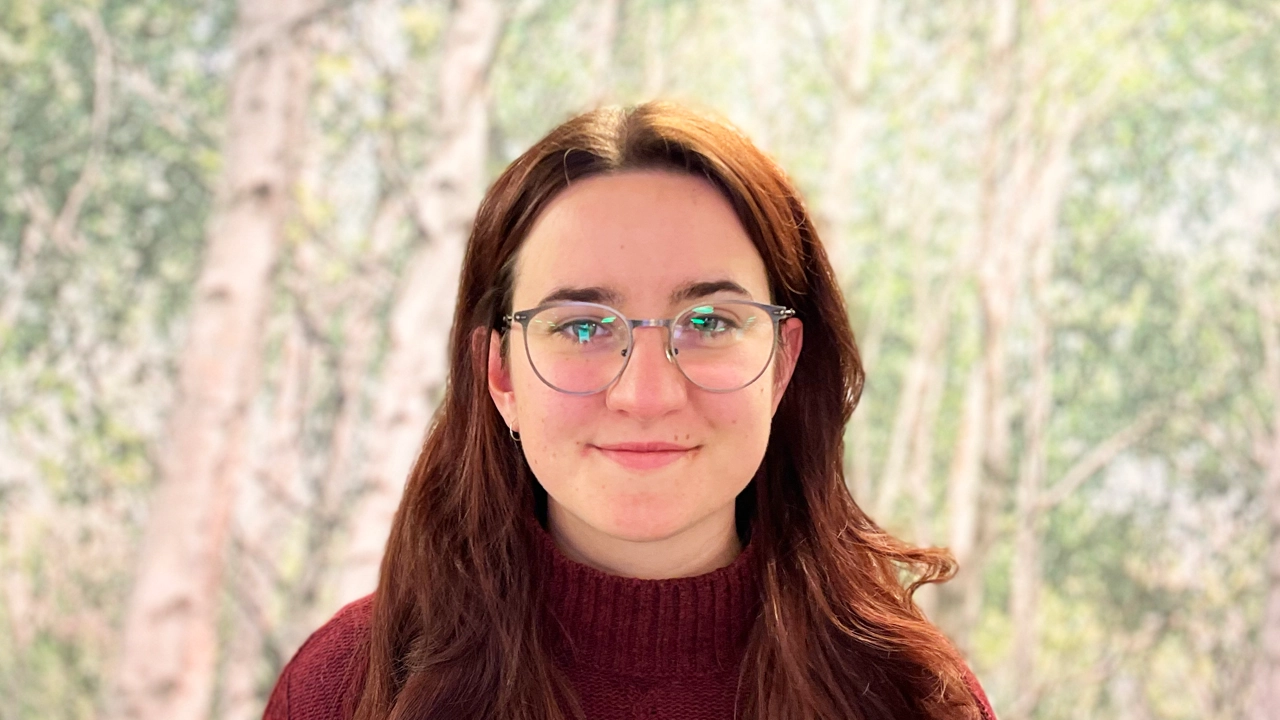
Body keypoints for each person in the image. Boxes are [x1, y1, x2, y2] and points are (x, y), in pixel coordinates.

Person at [263, 101, 998, 720]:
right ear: (500, 374)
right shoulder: (347, 690)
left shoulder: (914, 698)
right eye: (582, 327)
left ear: (783, 364)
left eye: (710, 322)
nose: (646, 395)